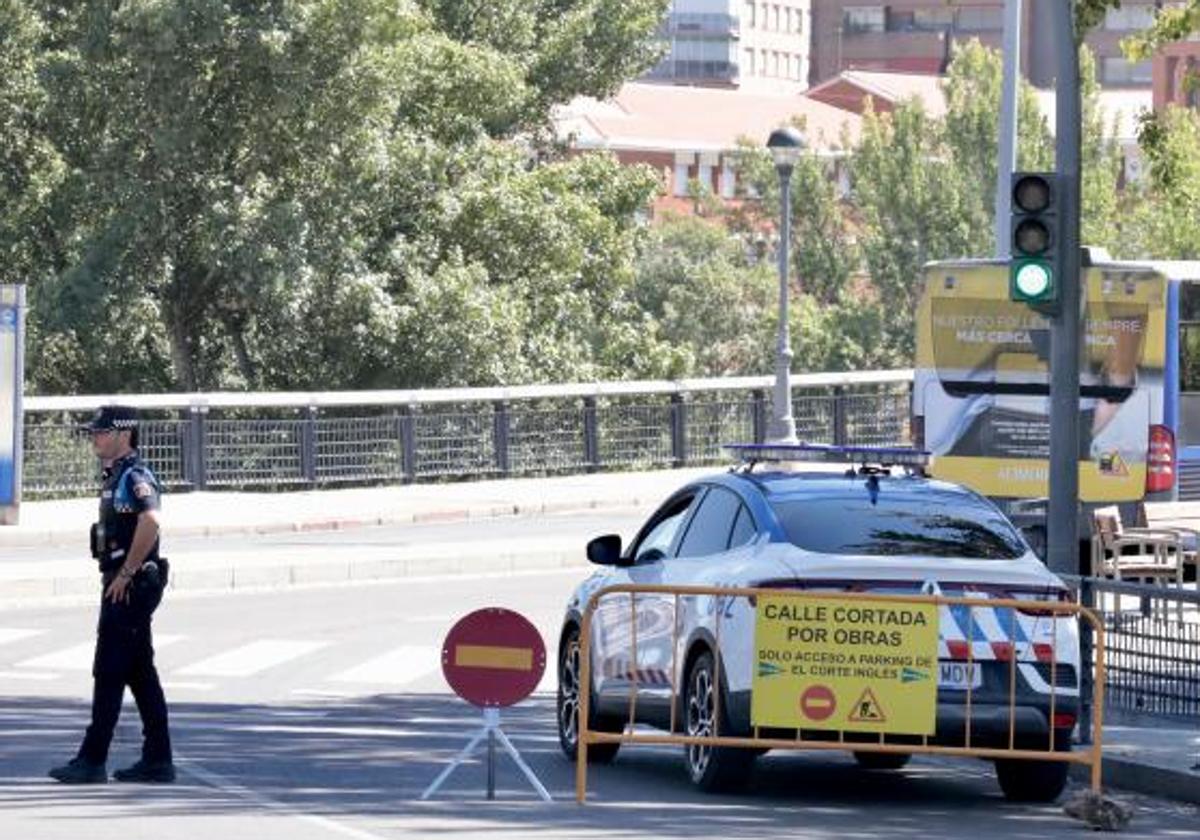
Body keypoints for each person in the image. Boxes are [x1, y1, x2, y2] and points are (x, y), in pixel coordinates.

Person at [49, 405, 175, 784]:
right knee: (139, 673)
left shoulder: (135, 475)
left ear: (124, 434)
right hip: (123, 583)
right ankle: (158, 759)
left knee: (108, 671)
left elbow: (151, 520)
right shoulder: (115, 475)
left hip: (129, 587)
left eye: (102, 432)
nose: (95, 438)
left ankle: (92, 759)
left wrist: (127, 572)